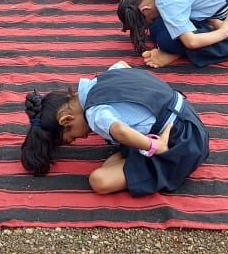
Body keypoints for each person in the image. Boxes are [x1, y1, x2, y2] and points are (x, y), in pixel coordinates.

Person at [20, 61, 209, 195]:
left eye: (73, 138)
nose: (84, 138)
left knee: (99, 180)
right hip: (187, 116)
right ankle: (134, 152)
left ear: (66, 120)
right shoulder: (103, 79)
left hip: (181, 142)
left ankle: (142, 153)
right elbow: (123, 65)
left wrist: (153, 146)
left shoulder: (95, 114)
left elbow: (120, 131)